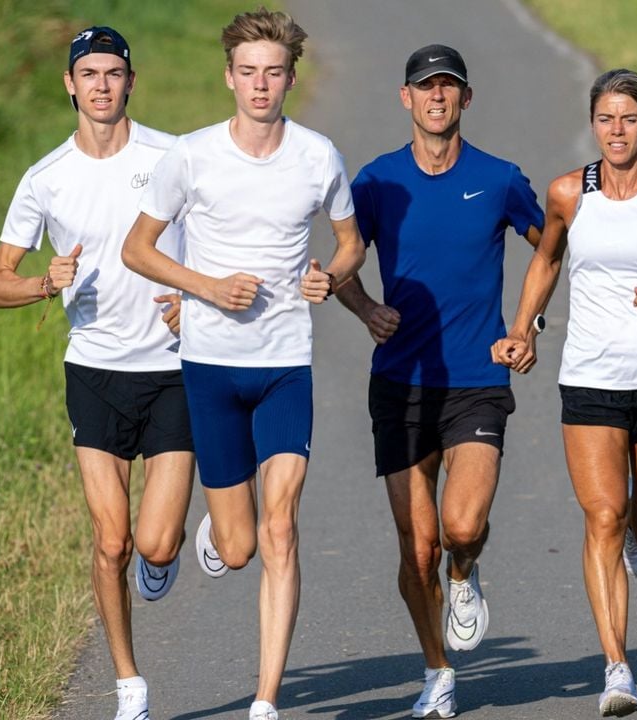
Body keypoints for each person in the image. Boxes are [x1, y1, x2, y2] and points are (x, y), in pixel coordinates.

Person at [119, 8, 365, 720]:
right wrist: (205, 288)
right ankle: (219, 531)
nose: (261, 85)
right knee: (240, 544)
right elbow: (139, 250)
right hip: (211, 364)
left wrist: (332, 276)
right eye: (249, 72)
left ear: (291, 77)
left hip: (286, 361)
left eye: (274, 72)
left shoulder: (318, 156)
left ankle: (265, 701)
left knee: (281, 523)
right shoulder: (192, 156)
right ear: (229, 77)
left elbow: (350, 244)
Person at [493, 68, 637, 717]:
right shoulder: (569, 193)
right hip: (591, 378)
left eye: (629, 118)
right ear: (593, 123)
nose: (617, 130)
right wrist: (524, 329)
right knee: (601, 514)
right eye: (606, 118)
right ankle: (618, 670)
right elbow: (547, 259)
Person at [0, 26, 196, 720]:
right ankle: (129, 681)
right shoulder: (46, 178)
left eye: (113, 72)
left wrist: (192, 300)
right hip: (95, 369)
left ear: (131, 81)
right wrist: (46, 283)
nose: (101, 85)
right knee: (110, 539)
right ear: (69, 85)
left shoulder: (173, 157)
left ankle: (162, 558)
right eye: (88, 74)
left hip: (171, 367)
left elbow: (221, 235)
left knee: (155, 542)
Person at [334, 44, 544, 719]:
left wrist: (527, 326)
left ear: (465, 99)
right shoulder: (376, 183)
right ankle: (438, 671)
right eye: (425, 88)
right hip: (399, 382)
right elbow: (341, 262)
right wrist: (366, 308)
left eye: (448, 87)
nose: (437, 97)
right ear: (406, 98)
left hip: (477, 378)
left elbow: (553, 247)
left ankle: (465, 572)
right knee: (415, 546)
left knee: (461, 525)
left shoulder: (501, 178)